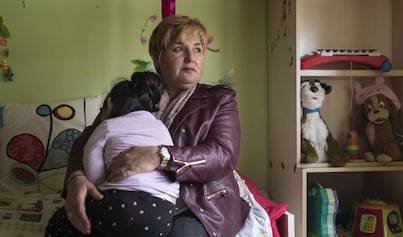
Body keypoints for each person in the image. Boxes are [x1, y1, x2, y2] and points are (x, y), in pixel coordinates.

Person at [61, 15, 250, 237]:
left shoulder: (219, 100)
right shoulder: (132, 94)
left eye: (198, 49)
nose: (191, 57)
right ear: (157, 57)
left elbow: (223, 155)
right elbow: (87, 139)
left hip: (194, 206)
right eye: (179, 49)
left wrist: (161, 157)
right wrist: (76, 178)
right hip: (127, 196)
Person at [44, 71, 178, 237]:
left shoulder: (107, 125)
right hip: (162, 216)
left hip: (119, 204)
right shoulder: (161, 128)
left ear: (108, 104)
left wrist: (100, 186)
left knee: (59, 223)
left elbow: (93, 166)